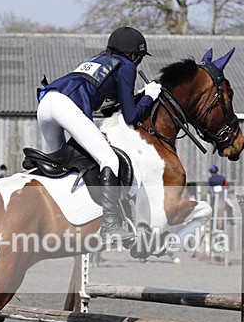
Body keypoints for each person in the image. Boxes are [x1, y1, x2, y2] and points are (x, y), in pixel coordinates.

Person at [36, 26, 162, 245]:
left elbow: (106, 103)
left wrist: (134, 97)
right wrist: (150, 95)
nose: (138, 62)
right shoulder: (126, 66)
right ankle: (111, 225)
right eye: (139, 57)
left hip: (46, 104)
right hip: (66, 107)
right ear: (132, 54)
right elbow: (131, 116)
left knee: (61, 166)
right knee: (109, 159)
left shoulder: (97, 60)